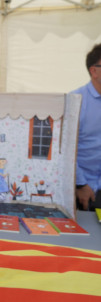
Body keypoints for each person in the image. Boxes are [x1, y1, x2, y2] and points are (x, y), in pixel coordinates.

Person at [72, 43, 101, 211]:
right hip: (81, 190)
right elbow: (65, 149)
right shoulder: (75, 101)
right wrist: (80, 184)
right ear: (94, 71)